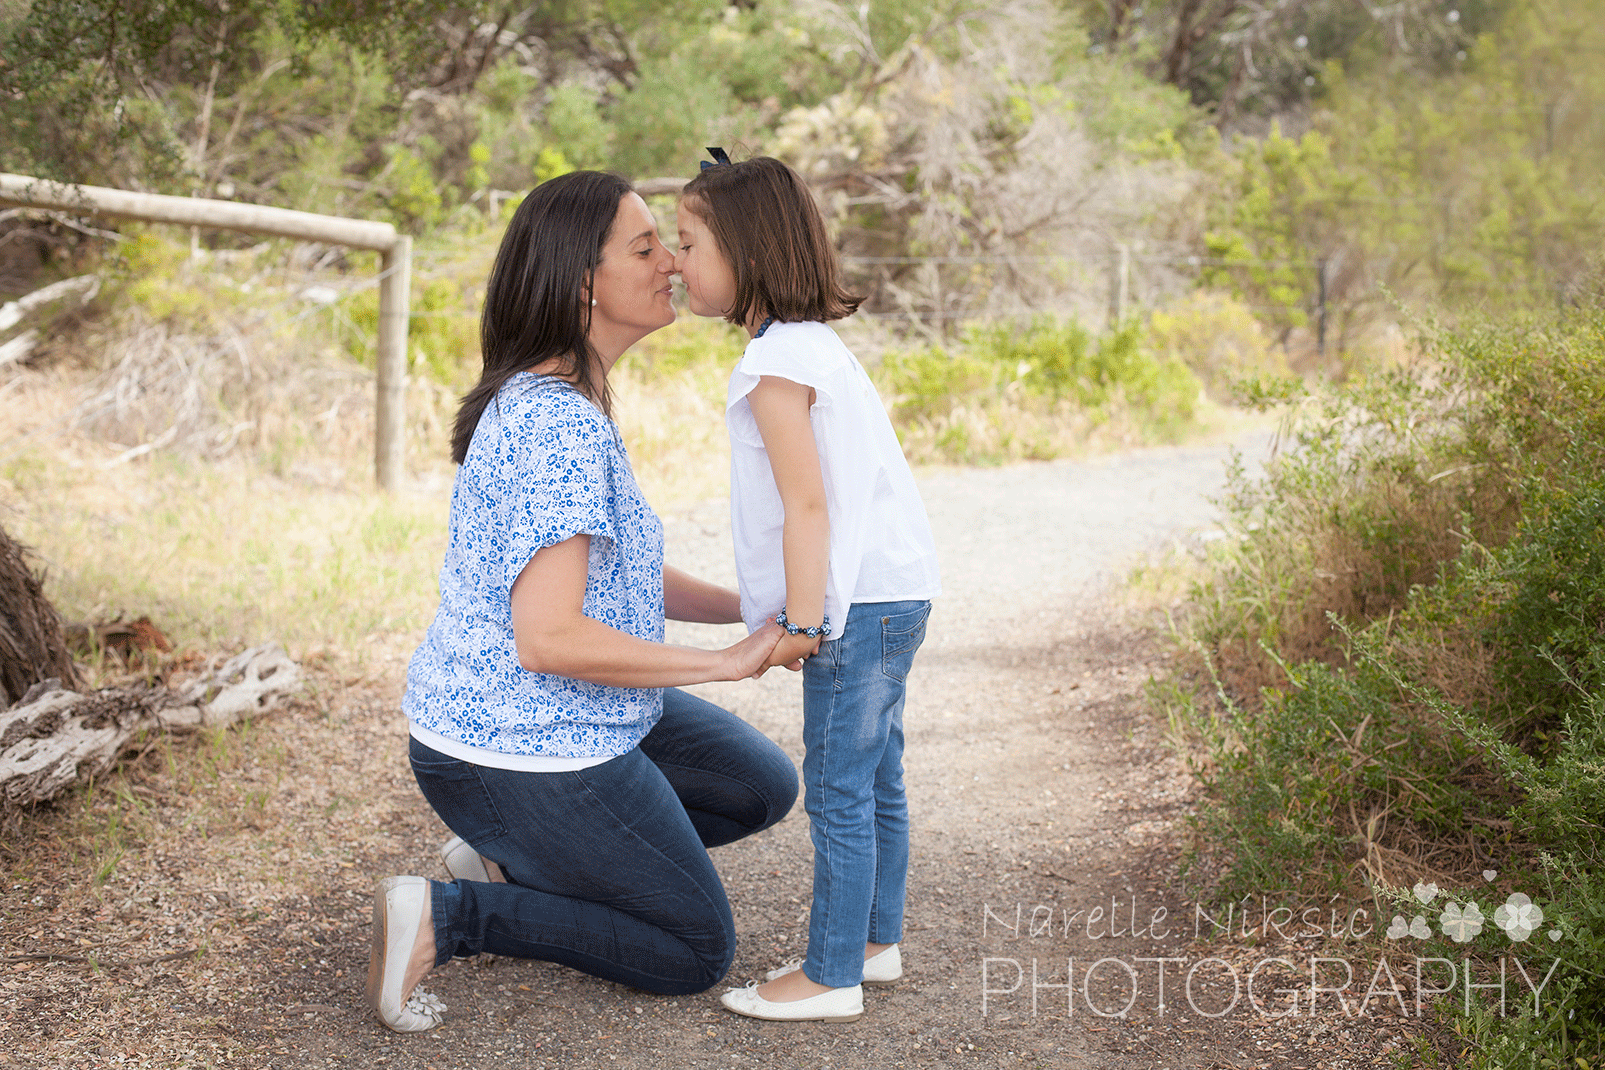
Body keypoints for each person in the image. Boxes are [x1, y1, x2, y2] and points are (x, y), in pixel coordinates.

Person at [365, 169, 800, 1034]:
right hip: (518, 746)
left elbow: (614, 575)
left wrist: (753, 609)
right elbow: (550, 635)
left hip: (552, 718)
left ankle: (508, 859)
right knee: (689, 949)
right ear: (580, 283)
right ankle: (450, 916)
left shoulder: (567, 393)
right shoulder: (558, 422)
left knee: (755, 785)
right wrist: (726, 663)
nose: (672, 261)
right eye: (645, 248)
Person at [674, 152, 941, 1023]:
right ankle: (873, 941)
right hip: (895, 590)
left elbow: (806, 504)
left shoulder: (777, 367)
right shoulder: (814, 348)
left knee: (834, 785)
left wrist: (797, 619)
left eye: (686, 243)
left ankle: (830, 976)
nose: (676, 262)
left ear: (746, 252)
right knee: (875, 776)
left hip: (852, 601)